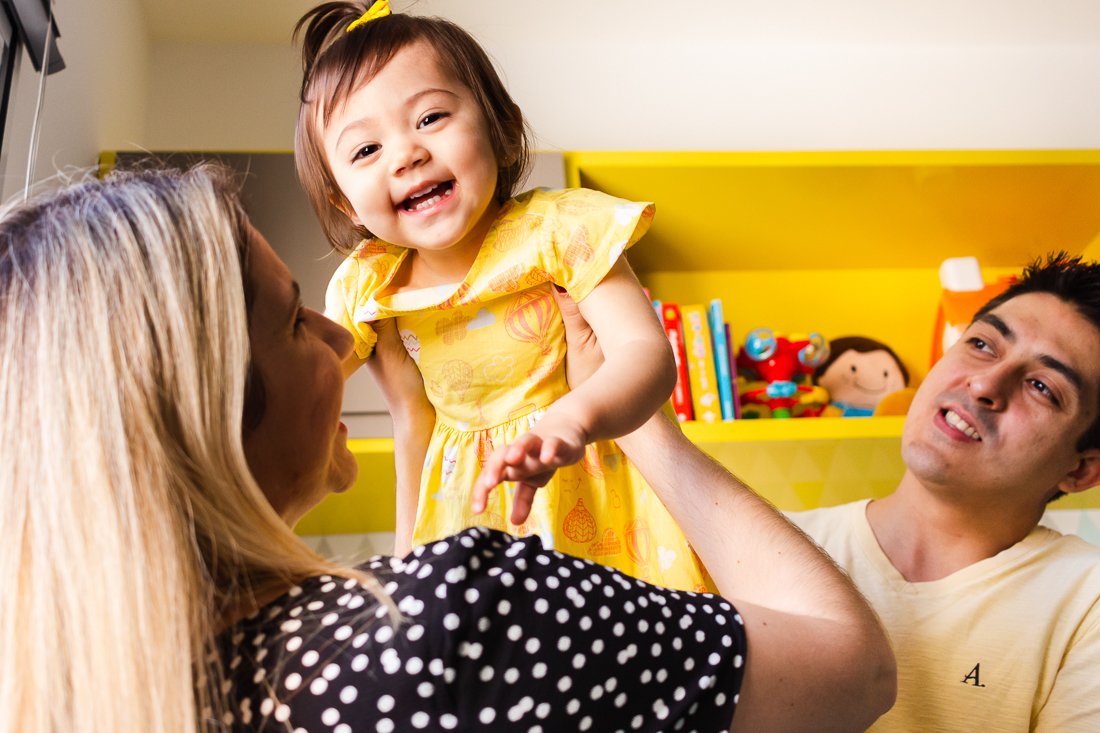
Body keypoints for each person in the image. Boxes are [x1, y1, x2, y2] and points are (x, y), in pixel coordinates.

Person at [0, 165, 895, 733]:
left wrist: (420, 430)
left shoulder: (104, 694)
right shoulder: (464, 614)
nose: (337, 333)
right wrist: (638, 421)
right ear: (208, 408)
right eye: (289, 317)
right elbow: (853, 668)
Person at [293, 1, 703, 590]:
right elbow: (301, 380)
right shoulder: (370, 284)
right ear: (343, 201)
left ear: (503, 129)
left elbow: (646, 354)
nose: (406, 154)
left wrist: (573, 420)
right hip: (464, 526)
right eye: (365, 150)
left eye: (430, 117)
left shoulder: (560, 229)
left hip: (596, 503)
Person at [789, 253, 1100, 732]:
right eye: (980, 344)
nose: (984, 384)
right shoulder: (773, 543)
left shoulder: (1086, 603)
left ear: (1080, 472)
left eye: (1041, 386)